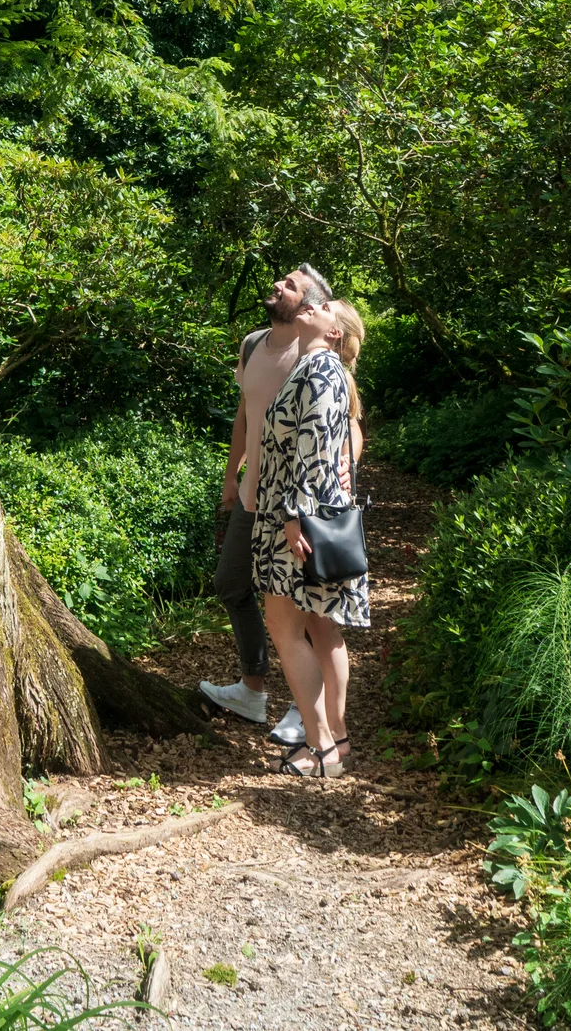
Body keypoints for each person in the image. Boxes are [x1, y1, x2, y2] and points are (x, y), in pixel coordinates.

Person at [198, 263, 333, 726]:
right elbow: (244, 413)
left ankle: (304, 709)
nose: (278, 285)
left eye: (290, 284)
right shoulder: (253, 344)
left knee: (301, 607)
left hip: (295, 505)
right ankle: (253, 691)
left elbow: (344, 422)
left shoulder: (315, 352)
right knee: (231, 584)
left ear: (310, 304)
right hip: (255, 495)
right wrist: (231, 475)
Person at [251, 295, 371, 777]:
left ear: (335, 331)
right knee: (322, 627)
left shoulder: (320, 370)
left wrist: (293, 516)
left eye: (323, 305)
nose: (311, 304)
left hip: (298, 519)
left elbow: (315, 449)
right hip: (307, 515)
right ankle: (337, 743)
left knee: (284, 627)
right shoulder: (320, 368)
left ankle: (320, 747)